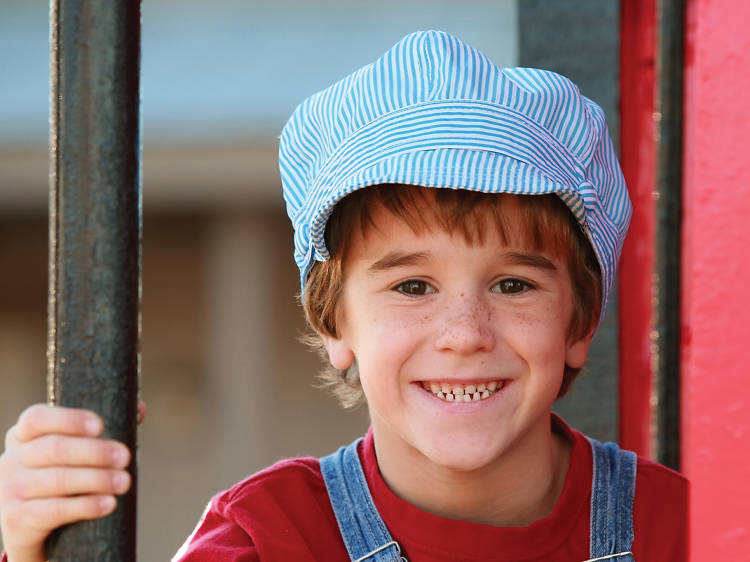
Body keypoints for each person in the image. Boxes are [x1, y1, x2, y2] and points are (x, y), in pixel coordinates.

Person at [0, 30, 686, 561]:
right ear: (336, 325)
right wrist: (35, 545)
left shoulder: (685, 528)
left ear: (579, 322)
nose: (465, 332)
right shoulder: (268, 537)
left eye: (513, 284)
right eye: (412, 286)